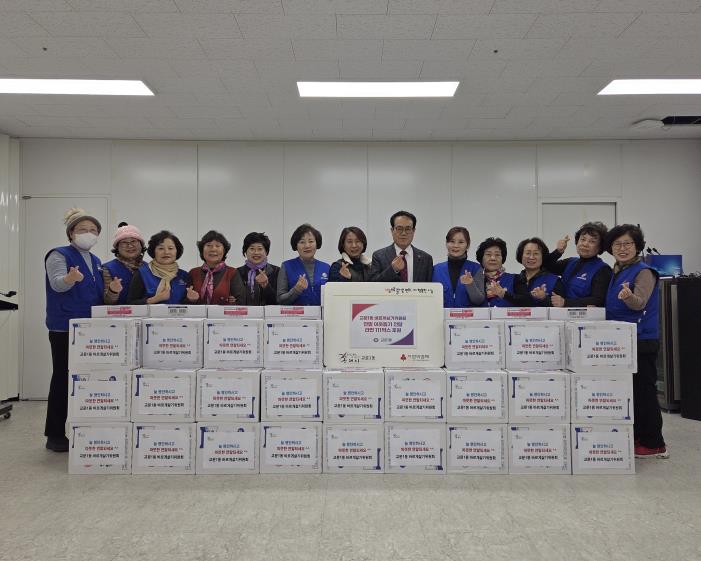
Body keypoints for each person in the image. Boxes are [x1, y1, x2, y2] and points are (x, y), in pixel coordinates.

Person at [44, 208, 104, 452]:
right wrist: (69, 279)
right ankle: (55, 434)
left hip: (90, 327)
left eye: (93, 230)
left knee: (86, 381)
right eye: (82, 229)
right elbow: (57, 284)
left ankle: (85, 430)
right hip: (65, 327)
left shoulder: (96, 261)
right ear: (71, 233)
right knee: (62, 378)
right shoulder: (58, 254)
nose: (88, 233)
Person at [605, 224, 667, 459]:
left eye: (627, 244)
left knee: (644, 393)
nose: (622, 248)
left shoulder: (644, 272)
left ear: (637, 246)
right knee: (631, 392)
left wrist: (629, 296)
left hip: (641, 340)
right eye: (617, 244)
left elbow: (639, 302)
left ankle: (654, 443)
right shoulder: (618, 270)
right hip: (621, 341)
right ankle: (639, 436)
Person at [543, 221, 612, 307]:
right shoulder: (570, 262)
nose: (585, 244)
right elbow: (545, 266)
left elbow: (599, 300)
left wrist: (566, 302)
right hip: (561, 313)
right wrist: (558, 251)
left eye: (592, 241)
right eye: (582, 239)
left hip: (583, 314)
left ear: (600, 247)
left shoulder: (603, 269)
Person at [126, 230, 194, 305]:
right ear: (154, 251)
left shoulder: (184, 275)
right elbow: (130, 303)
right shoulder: (142, 274)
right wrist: (154, 300)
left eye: (170, 248)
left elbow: (186, 305)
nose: (166, 252)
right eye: (161, 248)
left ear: (177, 251)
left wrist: (191, 299)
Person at [369, 210, 433, 282]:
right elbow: (373, 283)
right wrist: (393, 269)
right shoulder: (379, 256)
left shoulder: (426, 259)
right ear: (392, 230)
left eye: (408, 229)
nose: (403, 233)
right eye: (399, 229)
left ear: (413, 231)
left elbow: (430, 286)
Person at [187, 230, 245, 305]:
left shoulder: (232, 272)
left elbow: (241, 301)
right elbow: (183, 302)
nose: (213, 249)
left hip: (224, 313)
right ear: (202, 250)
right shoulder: (193, 273)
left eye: (218, 246)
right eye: (209, 245)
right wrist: (190, 299)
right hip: (196, 313)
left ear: (224, 251)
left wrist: (232, 303)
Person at [277, 224, 330, 305]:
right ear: (296, 245)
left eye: (311, 241)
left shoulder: (326, 267)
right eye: (302, 242)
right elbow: (280, 300)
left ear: (317, 243)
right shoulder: (286, 266)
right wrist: (296, 290)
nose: (307, 246)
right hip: (296, 313)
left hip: (322, 313)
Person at [433, 226, 485, 307]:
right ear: (446, 243)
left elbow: (479, 301)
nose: (456, 245)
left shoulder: (476, 268)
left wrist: (470, 284)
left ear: (468, 245)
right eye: (452, 241)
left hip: (467, 315)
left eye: (461, 242)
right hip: (441, 314)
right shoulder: (436, 269)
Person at [476, 237, 528, 307]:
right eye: (488, 254)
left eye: (497, 255)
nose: (493, 258)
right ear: (481, 258)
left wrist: (504, 294)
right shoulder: (474, 281)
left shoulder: (516, 279)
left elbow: (527, 302)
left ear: (502, 258)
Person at [102, 222, 146, 305]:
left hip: (147, 312)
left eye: (133, 241)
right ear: (117, 247)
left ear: (141, 245)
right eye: (124, 242)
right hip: (119, 312)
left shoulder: (149, 268)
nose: (130, 246)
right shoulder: (107, 268)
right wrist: (113, 291)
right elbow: (108, 302)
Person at [514, 237, 565, 307]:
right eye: (528, 253)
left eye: (536, 253)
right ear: (521, 256)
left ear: (543, 257)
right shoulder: (514, 280)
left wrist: (544, 298)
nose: (531, 257)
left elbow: (562, 308)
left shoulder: (555, 281)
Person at [237, 232, 280, 306]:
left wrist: (266, 286)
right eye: (252, 248)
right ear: (245, 251)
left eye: (260, 249)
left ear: (266, 252)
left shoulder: (277, 271)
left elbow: (280, 301)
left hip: (268, 313)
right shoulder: (237, 272)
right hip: (244, 313)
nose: (256, 252)